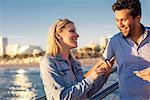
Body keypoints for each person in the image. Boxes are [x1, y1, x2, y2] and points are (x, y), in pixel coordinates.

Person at [40, 19, 112, 100]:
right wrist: (91, 78)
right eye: (72, 31)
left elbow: (86, 93)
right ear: (58, 35)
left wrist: (104, 76)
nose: (77, 35)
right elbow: (62, 97)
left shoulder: (75, 63)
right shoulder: (48, 62)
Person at [103, 0, 150, 99]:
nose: (119, 24)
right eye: (117, 20)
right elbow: (101, 65)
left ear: (137, 18)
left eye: (123, 20)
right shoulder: (114, 41)